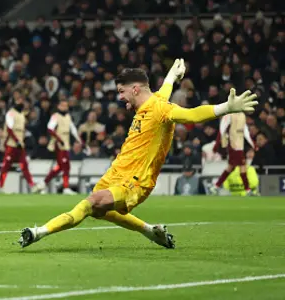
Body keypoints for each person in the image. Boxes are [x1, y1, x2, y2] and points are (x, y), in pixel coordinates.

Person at [18, 59, 258, 249]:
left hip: (135, 181)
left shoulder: (161, 109)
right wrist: (172, 76)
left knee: (90, 204)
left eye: (122, 92)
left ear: (135, 89)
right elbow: (163, 90)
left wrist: (226, 108)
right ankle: (151, 231)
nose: (120, 97)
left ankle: (38, 233)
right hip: (115, 173)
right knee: (100, 212)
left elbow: (191, 115)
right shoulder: (151, 102)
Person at [31, 100, 83, 195]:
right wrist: (59, 139)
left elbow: (73, 130)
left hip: (65, 144)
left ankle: (43, 183)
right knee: (66, 166)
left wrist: (80, 141)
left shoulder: (68, 117)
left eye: (66, 106)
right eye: (62, 105)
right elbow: (50, 129)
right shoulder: (55, 116)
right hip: (58, 144)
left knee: (60, 166)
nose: (64, 107)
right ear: (58, 106)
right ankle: (66, 187)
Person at [210, 112, 256, 196]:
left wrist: (253, 144)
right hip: (233, 145)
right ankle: (248, 190)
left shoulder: (241, 115)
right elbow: (222, 129)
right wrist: (217, 144)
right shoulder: (228, 115)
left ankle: (215, 186)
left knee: (231, 167)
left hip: (239, 145)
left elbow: (245, 132)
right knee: (242, 166)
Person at [0, 94, 34, 193]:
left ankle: (32, 185)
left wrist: (21, 141)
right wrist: (16, 141)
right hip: (11, 144)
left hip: (20, 145)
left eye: (22, 101)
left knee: (24, 165)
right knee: (6, 166)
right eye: (18, 100)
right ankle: (1, 187)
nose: (20, 103)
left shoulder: (22, 115)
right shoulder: (10, 113)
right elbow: (9, 129)